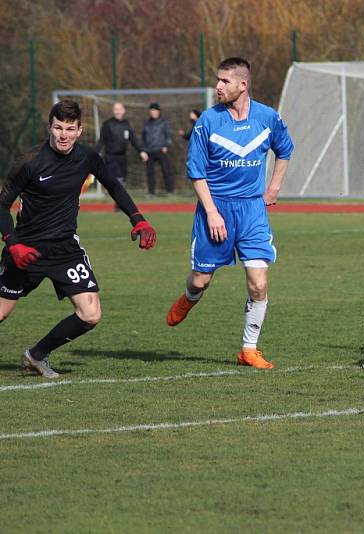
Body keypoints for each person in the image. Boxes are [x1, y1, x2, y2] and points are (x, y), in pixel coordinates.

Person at [0, 100, 157, 378]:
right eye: (58, 127)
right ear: (49, 127)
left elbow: (113, 185)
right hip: (26, 250)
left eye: (70, 129)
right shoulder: (29, 162)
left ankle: (36, 355)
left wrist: (138, 218)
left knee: (90, 315)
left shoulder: (87, 157)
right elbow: (2, 206)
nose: (64, 135)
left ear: (80, 130)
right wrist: (13, 244)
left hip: (65, 249)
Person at [166, 57, 293, 369]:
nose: (218, 86)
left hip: (252, 210)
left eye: (224, 81)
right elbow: (196, 172)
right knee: (200, 280)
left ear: (243, 85)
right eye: (218, 80)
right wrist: (211, 212)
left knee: (259, 283)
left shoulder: (267, 117)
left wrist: (274, 186)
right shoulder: (208, 122)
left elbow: (285, 150)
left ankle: (248, 350)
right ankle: (189, 297)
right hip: (216, 207)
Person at [95, 102, 148, 208]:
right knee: (116, 180)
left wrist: (141, 151)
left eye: (120, 109)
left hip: (122, 157)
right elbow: (101, 141)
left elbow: (133, 139)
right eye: (116, 109)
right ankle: (119, 203)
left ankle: (119, 202)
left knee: (122, 180)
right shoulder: (107, 124)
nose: (118, 111)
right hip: (110, 157)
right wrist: (95, 153)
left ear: (123, 111)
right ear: (113, 111)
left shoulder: (126, 124)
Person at [142, 102, 174, 195]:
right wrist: (143, 150)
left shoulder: (164, 122)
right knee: (150, 173)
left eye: (155, 111)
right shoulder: (146, 123)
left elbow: (169, 136)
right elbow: (143, 137)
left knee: (166, 170)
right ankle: (151, 192)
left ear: (158, 112)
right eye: (151, 110)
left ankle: (169, 190)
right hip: (149, 151)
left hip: (160, 150)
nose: (153, 112)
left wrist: (166, 146)